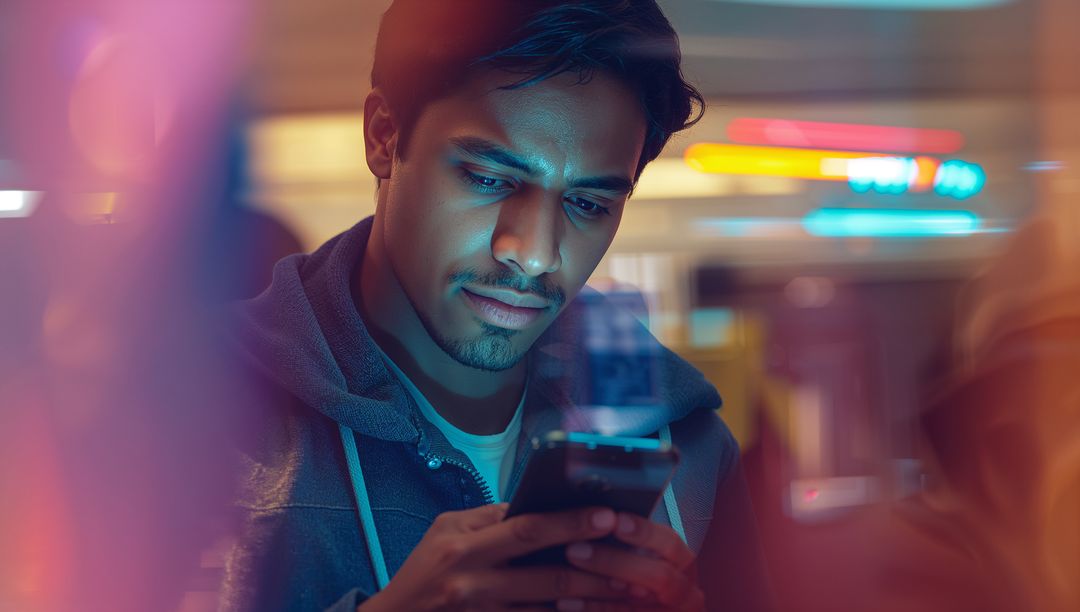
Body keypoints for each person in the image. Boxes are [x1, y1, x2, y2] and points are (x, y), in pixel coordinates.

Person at [220, 1, 773, 610]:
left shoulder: (690, 448)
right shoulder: (192, 413)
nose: (534, 254)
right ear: (384, 136)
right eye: (489, 178)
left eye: (587, 204)